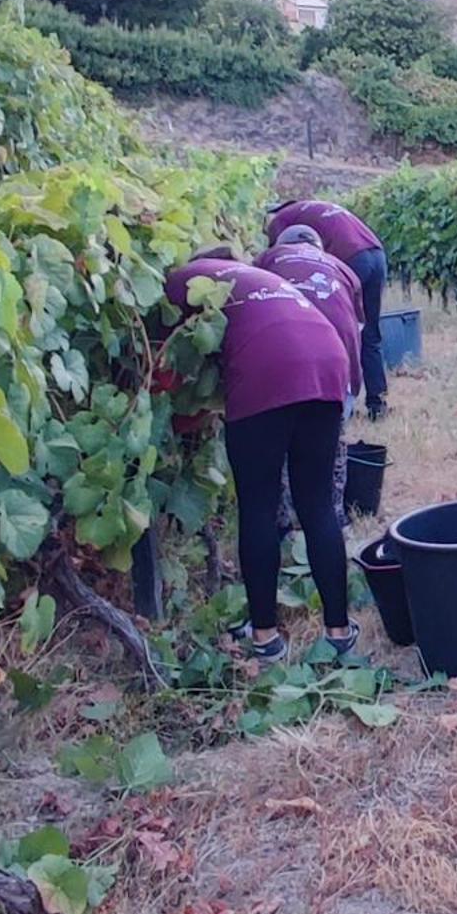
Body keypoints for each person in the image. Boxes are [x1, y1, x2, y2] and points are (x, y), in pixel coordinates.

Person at [164, 247, 359, 664]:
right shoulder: (257, 280)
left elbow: (168, 362)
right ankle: (339, 632)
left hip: (268, 370)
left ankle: (266, 637)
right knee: (318, 502)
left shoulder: (179, 282)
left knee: (258, 506)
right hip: (327, 363)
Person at [255, 224, 362, 527]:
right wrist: (351, 387)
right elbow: (354, 330)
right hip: (333, 355)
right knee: (333, 443)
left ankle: (284, 521)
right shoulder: (343, 269)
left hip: (283, 354)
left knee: (282, 439)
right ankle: (334, 517)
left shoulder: (268, 258)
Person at [266, 199, 388, 418]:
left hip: (351, 258)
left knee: (331, 327)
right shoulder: (316, 208)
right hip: (377, 255)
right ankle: (377, 403)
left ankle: (333, 396)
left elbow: (276, 259)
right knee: (369, 331)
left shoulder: (281, 220)